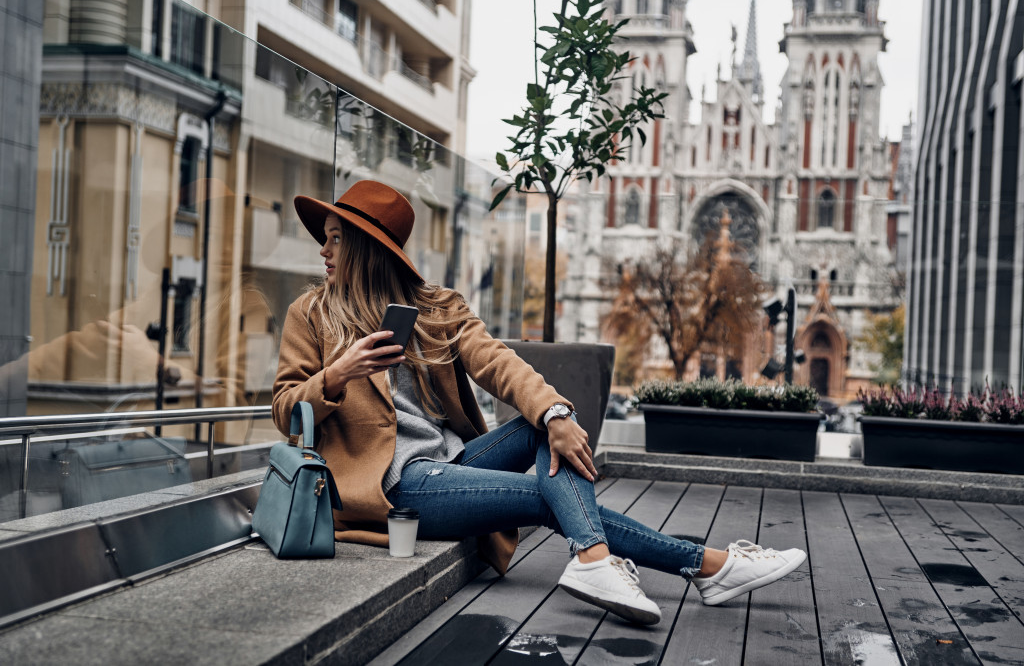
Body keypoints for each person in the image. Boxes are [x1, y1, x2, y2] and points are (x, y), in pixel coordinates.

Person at [272, 181, 807, 625]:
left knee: (550, 432)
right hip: (395, 485)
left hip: (451, 464)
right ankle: (697, 564)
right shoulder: (311, 314)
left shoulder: (435, 309)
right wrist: (338, 374)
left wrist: (556, 413)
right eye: (327, 239)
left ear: (368, 249)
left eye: (337, 239)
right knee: (544, 495)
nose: (324, 250)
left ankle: (634, 562)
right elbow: (284, 409)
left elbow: (497, 362)